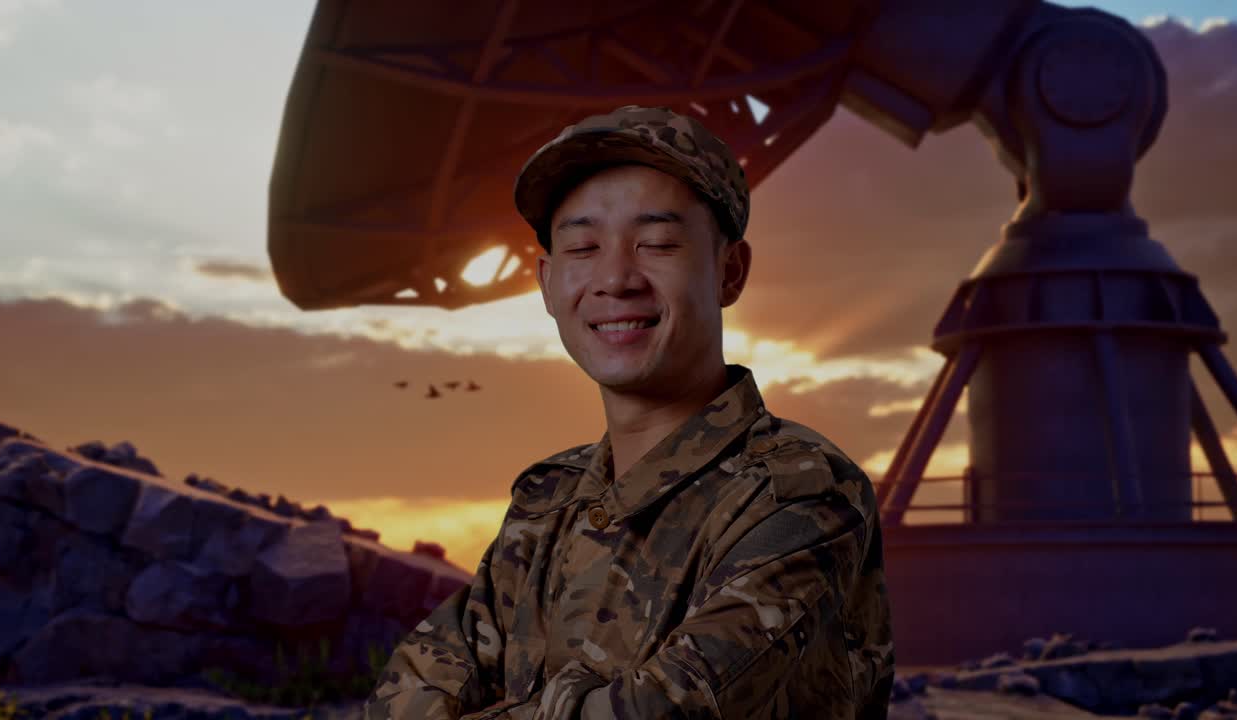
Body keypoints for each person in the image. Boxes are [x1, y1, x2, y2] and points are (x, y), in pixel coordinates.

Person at [363, 105, 895, 719]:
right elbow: (403, 692)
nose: (615, 278)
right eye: (583, 247)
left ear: (731, 271)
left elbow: (662, 711)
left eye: (658, 243)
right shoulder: (549, 501)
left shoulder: (800, 495)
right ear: (546, 283)